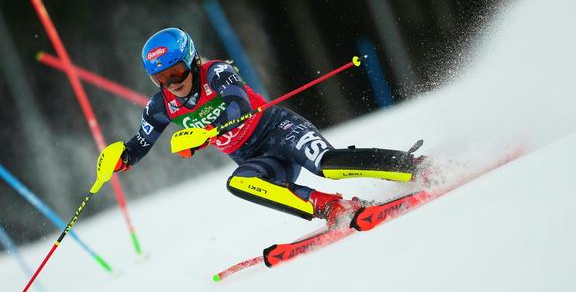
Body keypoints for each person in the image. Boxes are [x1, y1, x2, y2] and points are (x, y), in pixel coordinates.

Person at [112, 27, 421, 229]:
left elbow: (239, 106)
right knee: (240, 183)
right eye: (160, 79)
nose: (172, 84)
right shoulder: (160, 106)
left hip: (279, 130)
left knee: (327, 165)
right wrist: (121, 158)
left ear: (191, 61)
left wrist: (205, 135)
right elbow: (141, 143)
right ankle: (330, 206)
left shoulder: (216, 72)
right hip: (255, 158)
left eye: (176, 73)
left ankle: (409, 166)